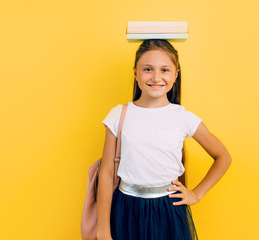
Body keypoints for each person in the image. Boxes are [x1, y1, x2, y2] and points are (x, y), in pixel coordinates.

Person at [96, 39, 232, 240]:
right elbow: (106, 175)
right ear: (135, 73)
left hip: (168, 210)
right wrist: (103, 231)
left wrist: (196, 194)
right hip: (126, 209)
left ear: (176, 74)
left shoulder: (183, 117)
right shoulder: (118, 115)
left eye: (165, 70)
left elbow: (223, 157)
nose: (156, 77)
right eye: (148, 69)